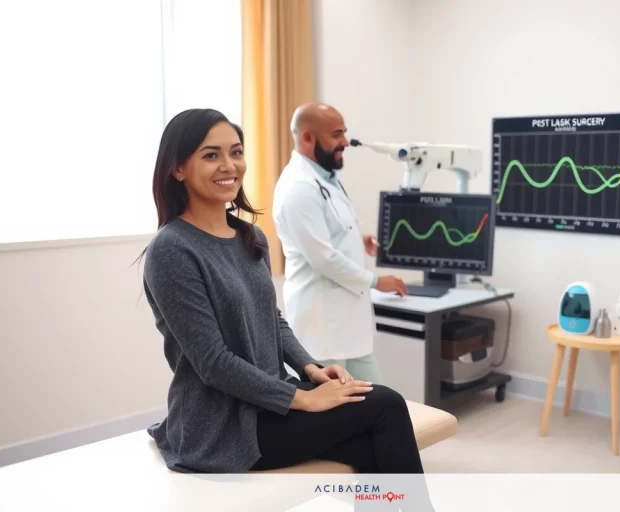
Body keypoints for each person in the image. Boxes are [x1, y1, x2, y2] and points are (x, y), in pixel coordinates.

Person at [140, 108, 433, 497]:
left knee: (373, 445)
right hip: (222, 423)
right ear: (178, 168)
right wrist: (302, 400)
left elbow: (272, 319)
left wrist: (311, 369)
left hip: (268, 401)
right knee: (386, 404)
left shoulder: (250, 237)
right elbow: (212, 363)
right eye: (211, 155)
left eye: (236, 152)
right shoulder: (172, 250)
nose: (229, 165)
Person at [272, 103, 408, 384]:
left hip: (348, 326)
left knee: (381, 400)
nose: (345, 141)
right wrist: (376, 281)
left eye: (344, 132)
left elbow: (324, 232)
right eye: (336, 134)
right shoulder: (299, 188)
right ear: (307, 137)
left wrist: (355, 238)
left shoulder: (325, 178)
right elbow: (323, 259)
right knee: (335, 408)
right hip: (323, 328)